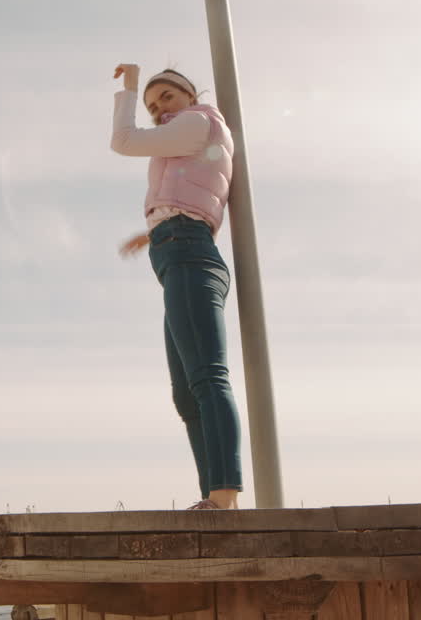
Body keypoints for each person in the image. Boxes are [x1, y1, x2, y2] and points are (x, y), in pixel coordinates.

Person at [110, 63, 243, 510]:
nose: (158, 109)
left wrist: (129, 89)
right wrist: (150, 233)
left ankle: (224, 499)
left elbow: (123, 141)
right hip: (176, 252)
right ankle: (213, 497)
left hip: (188, 252)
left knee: (207, 377)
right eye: (150, 105)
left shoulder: (199, 121)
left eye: (165, 96)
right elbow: (191, 192)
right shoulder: (187, 136)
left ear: (189, 93)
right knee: (186, 393)